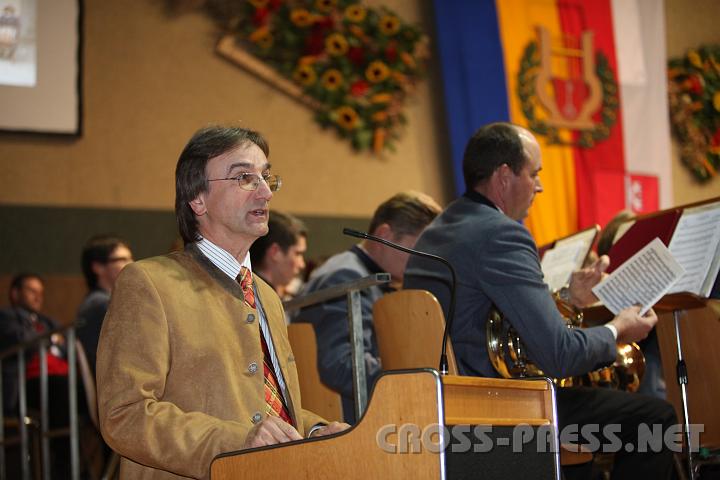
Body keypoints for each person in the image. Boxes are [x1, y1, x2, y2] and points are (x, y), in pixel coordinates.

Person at [404, 123, 678, 479]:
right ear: (504, 176)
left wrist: (568, 298)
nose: (540, 186)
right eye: (534, 174)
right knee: (654, 420)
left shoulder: (437, 232)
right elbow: (559, 355)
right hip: (496, 409)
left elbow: (488, 316)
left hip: (443, 404)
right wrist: (617, 330)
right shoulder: (501, 234)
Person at [96, 126, 347, 480]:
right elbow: (124, 414)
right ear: (197, 199)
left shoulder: (268, 296)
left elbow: (262, 412)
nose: (264, 191)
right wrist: (235, 441)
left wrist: (316, 431)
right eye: (244, 177)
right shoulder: (148, 283)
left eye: (266, 177)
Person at [295, 191, 441, 423]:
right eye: (418, 248)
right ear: (384, 234)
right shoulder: (346, 277)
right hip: (347, 424)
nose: (424, 259)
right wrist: (417, 377)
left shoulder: (365, 276)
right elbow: (341, 364)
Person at [0, 273, 71, 478]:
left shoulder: (48, 320)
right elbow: (21, 339)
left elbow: (68, 344)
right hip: (25, 385)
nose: (38, 297)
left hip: (56, 382)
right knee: (60, 387)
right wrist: (51, 340)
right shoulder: (7, 317)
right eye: (32, 291)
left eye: (41, 292)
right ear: (15, 293)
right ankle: (63, 467)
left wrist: (54, 340)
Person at [75, 234, 133, 374]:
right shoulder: (100, 305)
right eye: (123, 259)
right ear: (98, 267)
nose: (132, 264)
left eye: (130, 258)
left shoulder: (97, 302)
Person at [249, 211, 307, 299]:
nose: (302, 264)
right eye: (297, 254)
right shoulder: (258, 299)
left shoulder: (250, 292)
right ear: (275, 252)